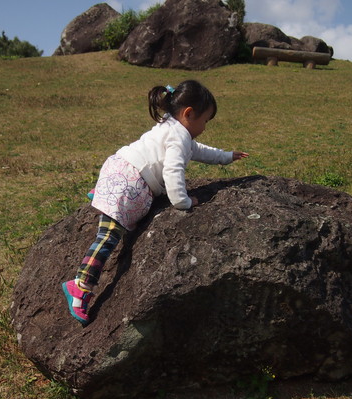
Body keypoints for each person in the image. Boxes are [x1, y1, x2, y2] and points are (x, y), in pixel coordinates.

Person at [62, 79, 249, 325]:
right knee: (108, 237)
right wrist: (183, 202)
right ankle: (81, 284)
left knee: (113, 220)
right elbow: (173, 171)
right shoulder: (179, 138)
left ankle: (103, 193)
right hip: (129, 184)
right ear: (189, 114)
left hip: (117, 167)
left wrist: (226, 156)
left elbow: (198, 150)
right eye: (205, 121)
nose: (204, 127)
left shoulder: (171, 125)